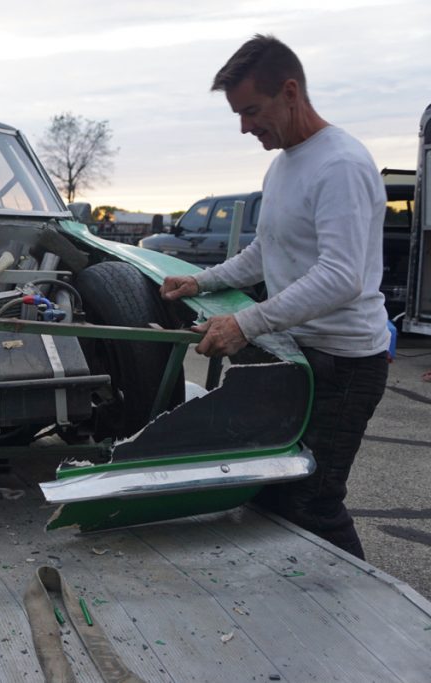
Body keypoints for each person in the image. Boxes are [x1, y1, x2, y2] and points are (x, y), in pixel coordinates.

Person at [160, 34, 390, 560]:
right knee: (273, 490)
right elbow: (266, 251)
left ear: (290, 92)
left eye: (252, 111)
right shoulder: (285, 163)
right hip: (298, 355)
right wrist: (202, 281)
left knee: (313, 502)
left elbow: (342, 276)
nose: (245, 127)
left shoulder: (342, 165)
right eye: (238, 115)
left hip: (344, 365)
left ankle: (362, 616)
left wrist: (246, 324)